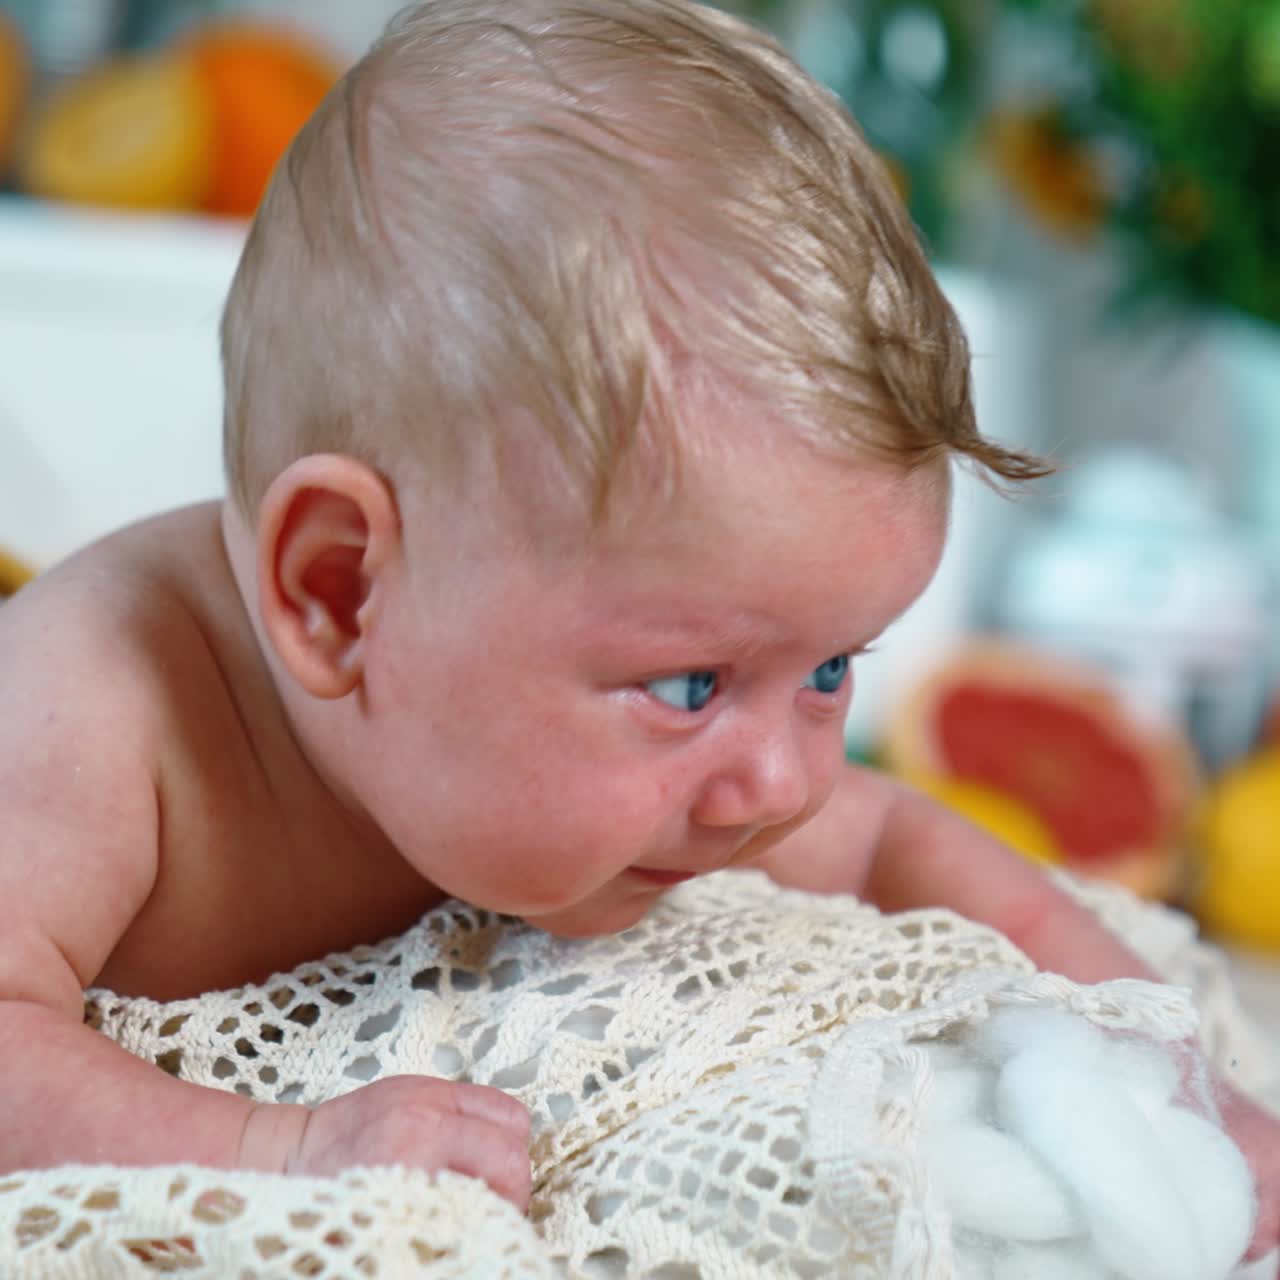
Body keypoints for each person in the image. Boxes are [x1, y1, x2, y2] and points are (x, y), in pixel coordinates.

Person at [1, 0, 1275, 1256]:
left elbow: (892, 834)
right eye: (688, 685)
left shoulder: (676, 752)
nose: (782, 783)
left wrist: (1171, 1076)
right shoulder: (94, 713)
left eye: (831, 669)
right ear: (341, 593)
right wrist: (274, 1150)